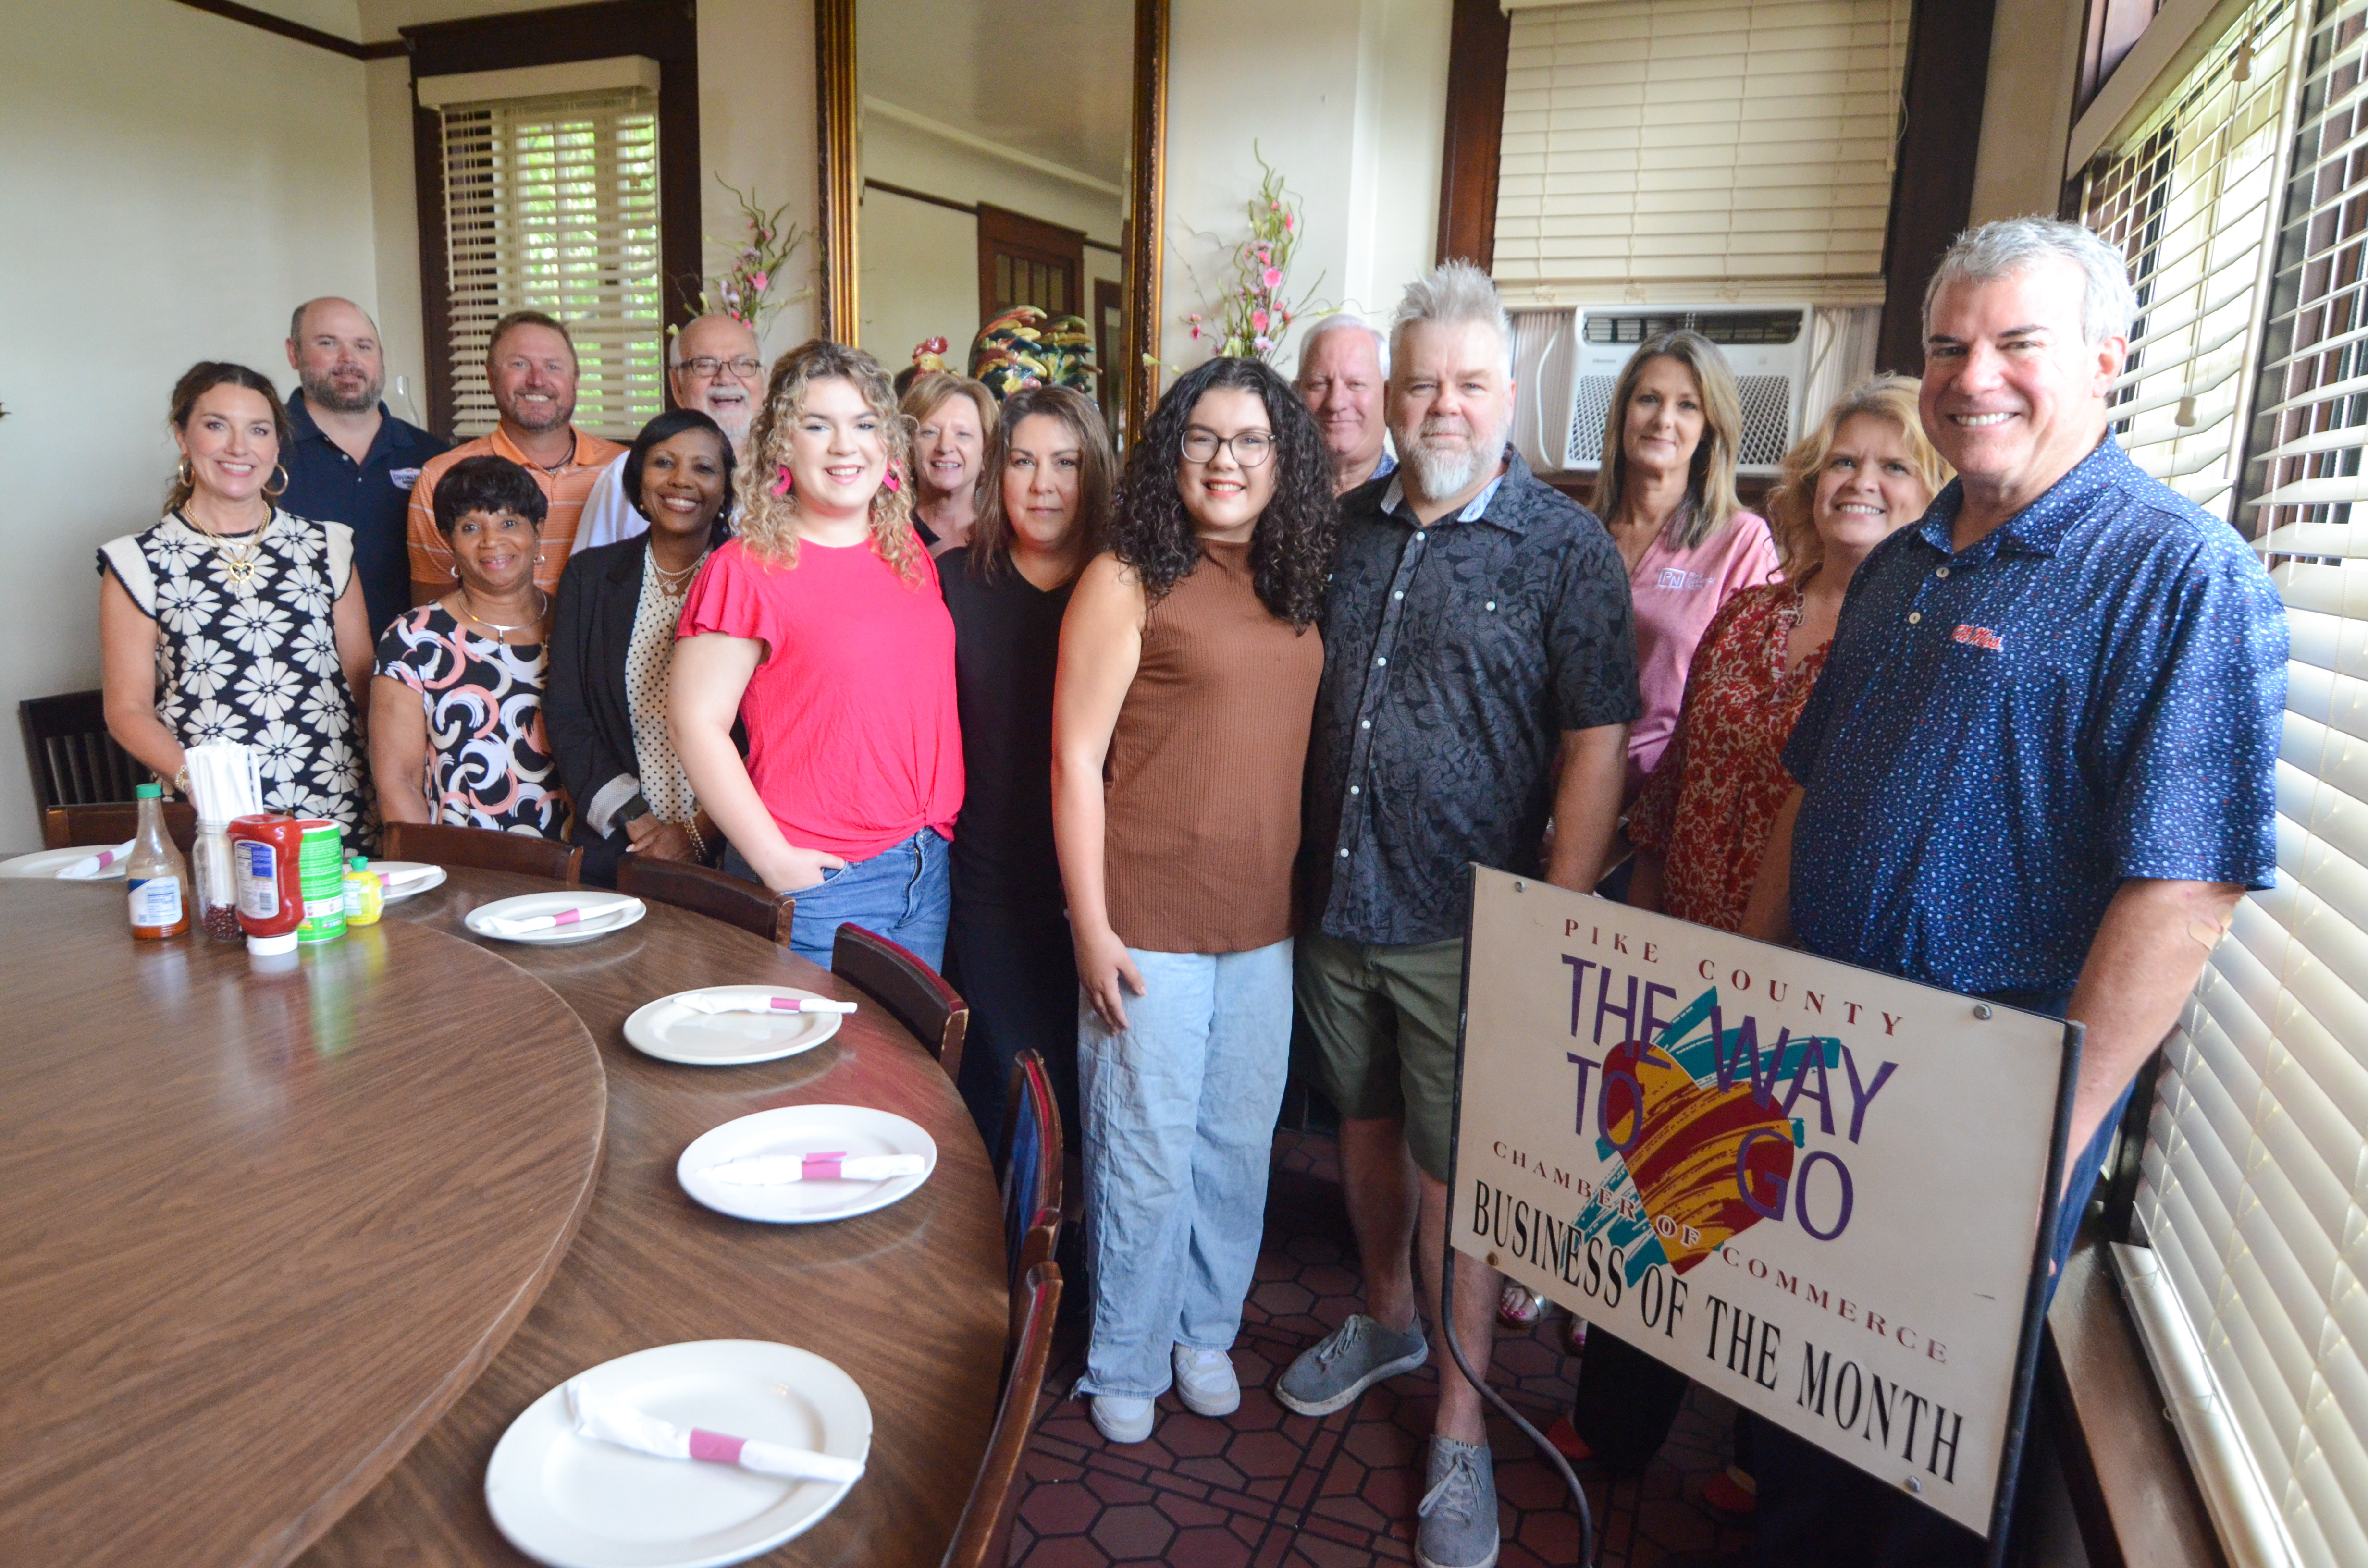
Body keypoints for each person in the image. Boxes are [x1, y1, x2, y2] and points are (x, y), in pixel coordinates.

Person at [1738, 217, 2284, 1566]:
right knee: (1795, 1417)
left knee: (1921, 1474)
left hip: (1988, 1105)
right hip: (1821, 1062)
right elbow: (1809, 788)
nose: (1972, 377)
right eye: (1948, 348)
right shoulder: (1902, 564)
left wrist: (2042, 1148)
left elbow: (2187, 892)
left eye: (2016, 344)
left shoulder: (2180, 575)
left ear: (2105, 357)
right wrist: (1743, 990)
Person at [1269, 262, 1635, 1568]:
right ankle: (1385, 1319)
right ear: (1391, 396)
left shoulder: (1565, 550)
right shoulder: (1340, 531)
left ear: (1509, 395)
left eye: (1469, 385)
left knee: (1465, 1176)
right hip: (1336, 906)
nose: (1442, 407)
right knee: (1364, 1129)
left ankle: (1463, 1427)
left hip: (1466, 924)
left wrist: (1554, 930)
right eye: (1421, 383)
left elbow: (1598, 745)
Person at [1556, 376, 1949, 1494]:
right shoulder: (1750, 614)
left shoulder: (1920, 642)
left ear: (1935, 494)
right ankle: (1617, 1429)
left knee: (1783, 1218)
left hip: (1817, 968)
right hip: (1692, 937)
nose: (1862, 483)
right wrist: (1647, 917)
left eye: (1894, 466)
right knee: (1659, 1188)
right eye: (1844, 462)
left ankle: (1752, 1458)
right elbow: (1679, 773)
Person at [1052, 355, 1334, 1448]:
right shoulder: (1126, 577)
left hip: (1262, 925)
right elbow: (1075, 761)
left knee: (1234, 1146)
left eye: (1250, 440)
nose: (1226, 460)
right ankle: (1125, 1353)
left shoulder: (1295, 577)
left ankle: (1204, 1331)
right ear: (1172, 453)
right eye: (1203, 438)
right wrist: (1091, 926)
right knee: (1143, 1151)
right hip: (1147, 922)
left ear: (1282, 459)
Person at [669, 340, 963, 969]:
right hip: (819, 879)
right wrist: (774, 862)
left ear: (887, 442)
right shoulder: (745, 568)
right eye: (817, 426)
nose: (844, 446)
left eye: (864, 425)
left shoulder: (904, 550)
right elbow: (695, 724)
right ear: (781, 443)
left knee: (906, 1040)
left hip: (923, 865)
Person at [939, 383, 1112, 1144]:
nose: (1044, 485)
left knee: (1092, 1104)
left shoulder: (1122, 585)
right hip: (989, 887)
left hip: (1105, 889)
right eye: (1023, 462)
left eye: (1065, 463)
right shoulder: (953, 583)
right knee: (1012, 1096)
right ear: (995, 474)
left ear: (1094, 473)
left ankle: (1072, 1225)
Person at [99, 363, 375, 839]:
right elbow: (127, 710)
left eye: (258, 430)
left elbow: (364, 685)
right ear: (182, 437)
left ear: (276, 446)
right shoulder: (136, 561)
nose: (239, 448)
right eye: (216, 426)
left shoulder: (328, 546)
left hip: (334, 803)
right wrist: (199, 784)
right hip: (212, 813)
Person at [546, 410, 736, 885]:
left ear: (726, 488)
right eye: (663, 463)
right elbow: (567, 713)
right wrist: (636, 820)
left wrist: (697, 834)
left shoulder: (754, 579)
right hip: (621, 841)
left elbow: (772, 732)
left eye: (703, 468)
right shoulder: (589, 577)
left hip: (735, 842)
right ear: (638, 479)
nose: (681, 480)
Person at [1591, 331, 1780, 804]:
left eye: (1687, 406)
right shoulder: (1575, 533)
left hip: (1666, 807)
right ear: (1622, 414)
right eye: (1648, 399)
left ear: (1709, 429)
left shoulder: (1742, 542)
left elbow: (1752, 706)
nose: (1663, 419)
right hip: (1559, 790)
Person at [371, 455, 566, 836]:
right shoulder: (413, 639)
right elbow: (399, 784)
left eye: (509, 523)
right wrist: (430, 868)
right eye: (471, 527)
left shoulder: (575, 625)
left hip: (580, 858)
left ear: (538, 530)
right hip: (459, 862)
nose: (491, 541)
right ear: (449, 540)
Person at [406, 311, 625, 601]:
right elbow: (433, 612)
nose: (537, 380)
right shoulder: (440, 477)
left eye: (553, 366)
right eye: (519, 364)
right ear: (491, 376)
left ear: (575, 380)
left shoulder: (625, 470)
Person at [280, 297, 449, 637]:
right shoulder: (259, 454)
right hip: (293, 660)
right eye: (328, 343)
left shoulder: (434, 457)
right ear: (294, 354)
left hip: (415, 657)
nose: (349, 360)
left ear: (381, 357)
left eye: (363, 346)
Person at [571, 314, 766, 557]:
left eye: (743, 364)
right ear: (677, 384)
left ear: (764, 379)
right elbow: (590, 575)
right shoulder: (628, 474)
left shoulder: (795, 473)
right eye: (705, 365)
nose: (725, 379)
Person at [1294, 312, 1395, 493]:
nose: (1335, 403)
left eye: (1355, 384)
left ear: (1389, 398)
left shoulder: (1415, 502)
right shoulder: (1266, 496)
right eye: (1319, 384)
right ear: (1295, 396)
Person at [903, 371, 998, 553]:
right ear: (909, 445)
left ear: (986, 450)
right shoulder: (883, 535)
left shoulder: (1005, 541)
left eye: (963, 434)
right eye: (930, 433)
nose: (945, 447)